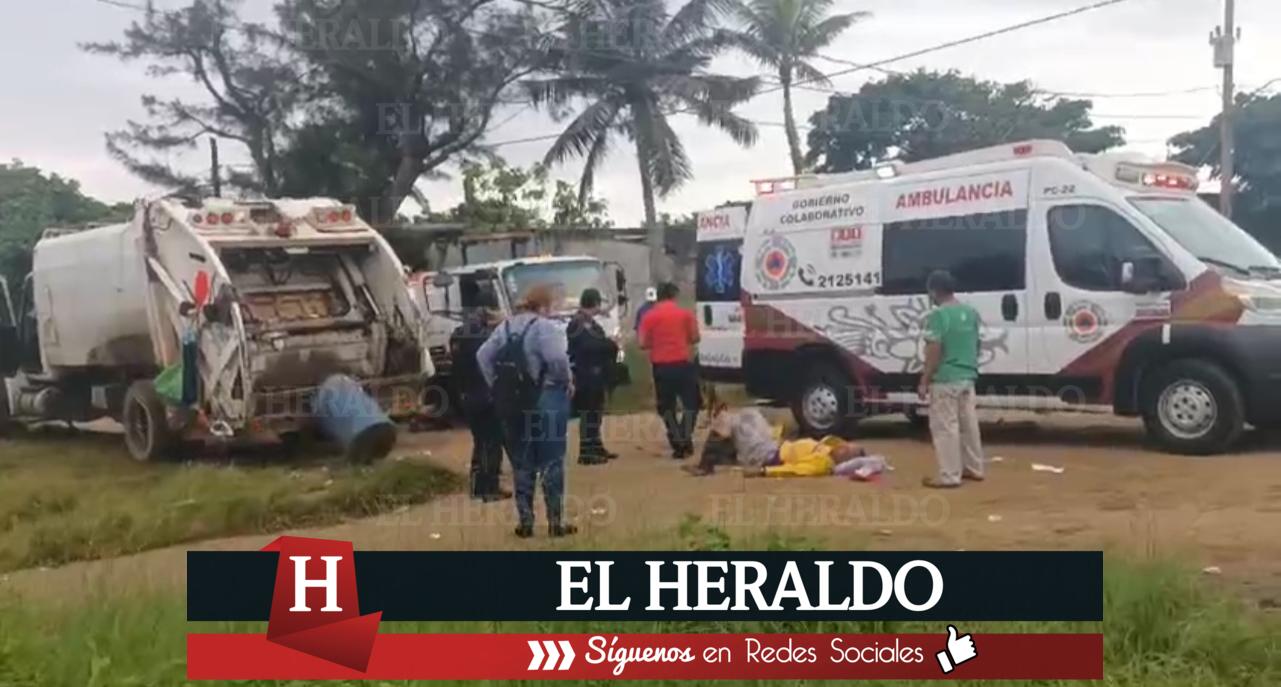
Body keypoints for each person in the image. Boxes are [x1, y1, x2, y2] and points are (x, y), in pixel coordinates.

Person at [477, 284, 577, 538]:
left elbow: (482, 355)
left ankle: (526, 522)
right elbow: (557, 360)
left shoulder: (506, 327)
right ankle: (555, 522)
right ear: (544, 306)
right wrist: (566, 382)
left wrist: (497, 385)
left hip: (513, 403)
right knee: (552, 460)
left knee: (522, 462)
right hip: (546, 397)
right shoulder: (545, 328)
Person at [917, 269, 986, 489]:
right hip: (967, 375)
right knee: (969, 424)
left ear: (934, 291)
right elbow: (977, 344)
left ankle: (949, 475)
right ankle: (974, 468)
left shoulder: (937, 316)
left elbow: (934, 349)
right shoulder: (971, 312)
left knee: (945, 427)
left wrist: (925, 380)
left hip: (946, 378)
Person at [449, 292, 510, 502]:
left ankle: (477, 487)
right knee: (491, 442)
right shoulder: (482, 335)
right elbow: (490, 362)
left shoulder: (458, 334)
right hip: (484, 394)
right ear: (486, 310)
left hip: (466, 394)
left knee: (480, 442)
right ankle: (489, 488)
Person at [638, 282, 701, 458]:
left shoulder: (649, 316)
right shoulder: (684, 314)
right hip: (682, 363)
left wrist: (657, 342)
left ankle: (676, 439)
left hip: (661, 366)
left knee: (667, 406)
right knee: (692, 403)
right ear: (674, 296)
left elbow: (642, 343)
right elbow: (695, 337)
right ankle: (684, 434)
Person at [567, 288, 619, 465]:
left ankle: (596, 446)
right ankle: (587, 452)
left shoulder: (589, 322)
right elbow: (588, 345)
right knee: (588, 413)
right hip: (585, 374)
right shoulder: (578, 323)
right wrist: (609, 344)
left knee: (596, 413)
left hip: (596, 373)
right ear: (594, 303)